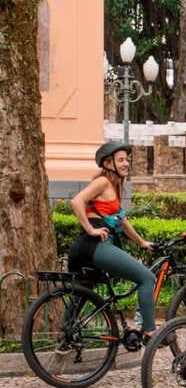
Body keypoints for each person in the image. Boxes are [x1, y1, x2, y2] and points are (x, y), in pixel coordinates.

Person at [68, 142, 157, 339]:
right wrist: (90, 228)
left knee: (83, 291)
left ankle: (66, 333)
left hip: (87, 248)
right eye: (121, 160)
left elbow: (121, 220)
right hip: (97, 245)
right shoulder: (102, 182)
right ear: (108, 163)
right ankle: (151, 332)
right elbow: (77, 201)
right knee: (147, 278)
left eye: (127, 159)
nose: (126, 163)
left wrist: (141, 242)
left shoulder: (114, 186)